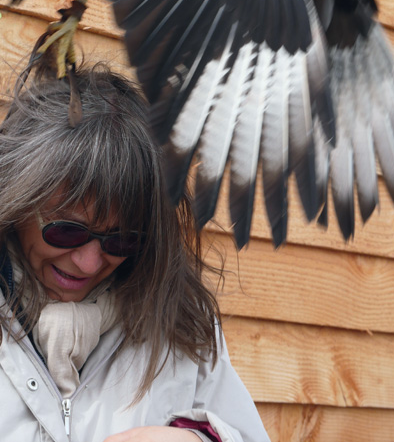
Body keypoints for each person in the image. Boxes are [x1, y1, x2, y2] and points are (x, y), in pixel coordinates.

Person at [0, 64, 270, 442]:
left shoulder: (181, 326)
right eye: (68, 230)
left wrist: (201, 439)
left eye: (122, 240)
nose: (90, 262)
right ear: (17, 202)